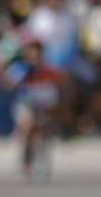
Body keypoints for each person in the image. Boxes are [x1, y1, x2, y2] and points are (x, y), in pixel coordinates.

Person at [4, 32, 63, 176]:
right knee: (27, 122)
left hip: (43, 106)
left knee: (45, 127)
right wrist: (20, 77)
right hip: (25, 104)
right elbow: (8, 83)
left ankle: (41, 156)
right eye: (31, 50)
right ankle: (24, 151)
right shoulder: (20, 68)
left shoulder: (48, 69)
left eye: (37, 50)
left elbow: (59, 84)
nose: (34, 53)